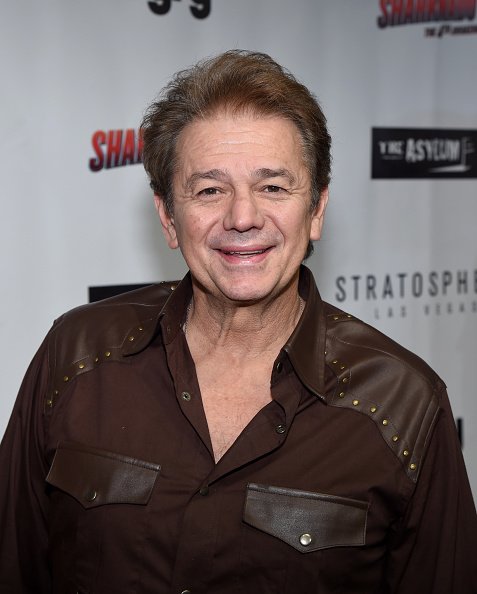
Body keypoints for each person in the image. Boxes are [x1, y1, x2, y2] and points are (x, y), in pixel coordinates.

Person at [0, 50, 476, 594]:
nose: (242, 217)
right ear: (168, 218)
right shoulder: (76, 357)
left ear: (316, 209)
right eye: (210, 190)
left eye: (273, 186)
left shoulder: (403, 404)